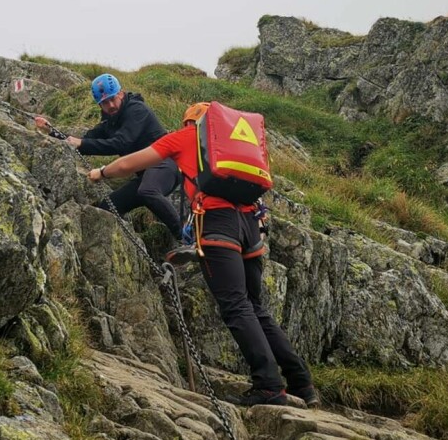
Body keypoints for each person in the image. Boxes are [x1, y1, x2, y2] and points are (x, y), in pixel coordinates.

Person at [87, 102, 319, 408]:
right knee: (256, 308)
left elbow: (131, 163)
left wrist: (100, 172)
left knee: (235, 306)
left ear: (190, 121)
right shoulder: (235, 145)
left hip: (217, 223)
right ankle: (301, 384)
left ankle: (268, 385)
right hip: (251, 225)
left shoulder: (185, 137)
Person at [35, 73, 184, 241]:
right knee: (107, 207)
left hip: (166, 164)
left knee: (148, 190)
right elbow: (83, 141)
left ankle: (186, 237)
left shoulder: (137, 110)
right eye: (105, 102)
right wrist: (51, 131)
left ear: (121, 93)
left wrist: (81, 144)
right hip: (145, 175)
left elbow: (121, 143)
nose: (111, 105)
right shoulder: (109, 123)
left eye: (113, 99)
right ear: (99, 104)